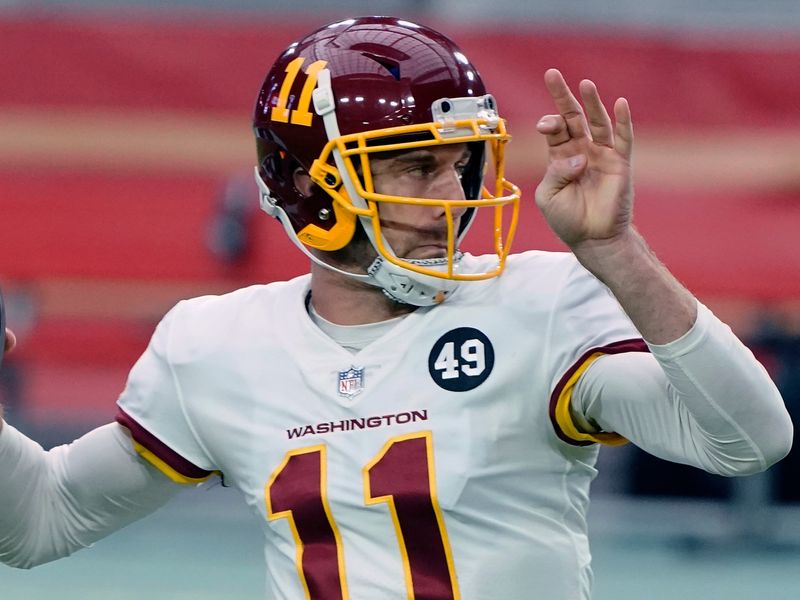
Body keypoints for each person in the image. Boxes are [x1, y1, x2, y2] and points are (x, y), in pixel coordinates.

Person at [0, 16, 792, 600]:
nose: (455, 196)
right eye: (414, 169)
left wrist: (620, 254)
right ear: (309, 187)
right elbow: (39, 522)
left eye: (462, 164)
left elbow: (749, 441)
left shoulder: (540, 301)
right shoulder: (214, 346)